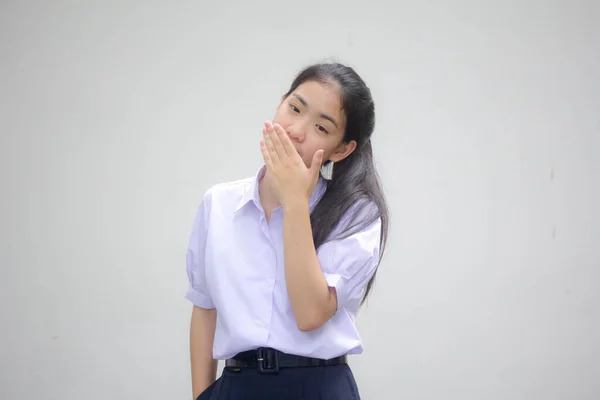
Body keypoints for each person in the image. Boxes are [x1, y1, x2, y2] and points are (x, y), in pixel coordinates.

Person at [185, 62, 390, 400]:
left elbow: (310, 313)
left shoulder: (356, 214)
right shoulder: (218, 204)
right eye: (294, 108)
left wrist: (295, 202)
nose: (296, 130)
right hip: (237, 387)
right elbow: (205, 308)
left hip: (317, 387)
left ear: (342, 149)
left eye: (321, 128)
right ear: (280, 103)